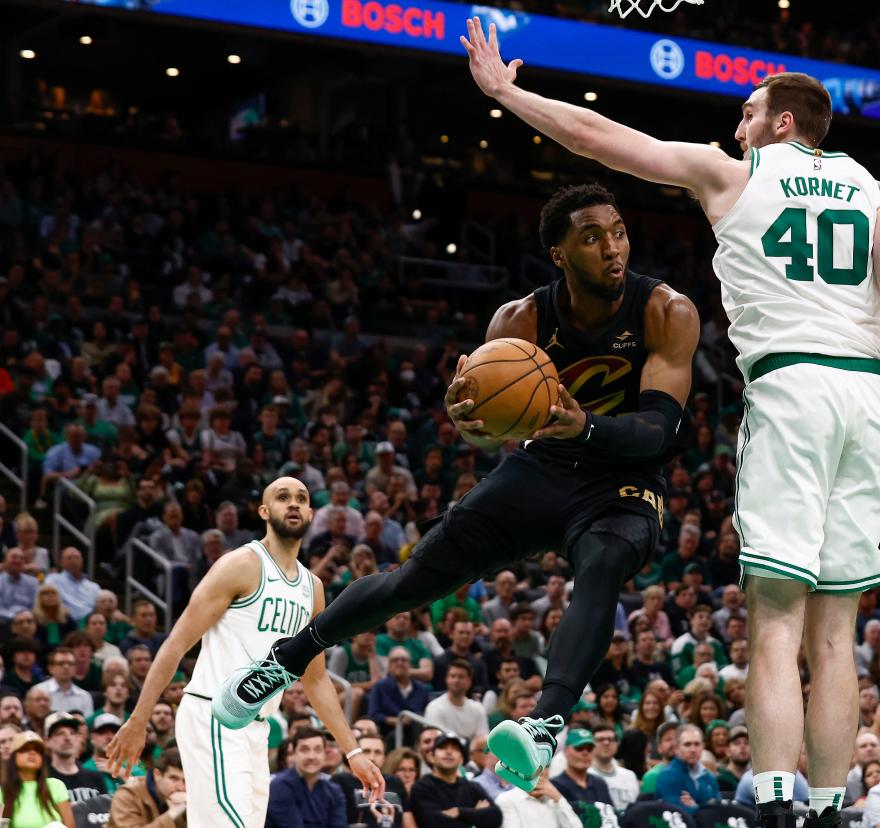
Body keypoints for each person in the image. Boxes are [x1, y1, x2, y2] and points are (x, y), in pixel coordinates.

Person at [459, 20, 880, 828]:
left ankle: (779, 806)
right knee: (836, 633)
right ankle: (831, 809)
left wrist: (508, 94)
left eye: (749, 113)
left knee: (774, 619)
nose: (737, 125)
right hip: (872, 397)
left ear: (782, 123)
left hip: (792, 388)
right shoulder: (876, 192)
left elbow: (602, 139)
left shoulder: (734, 175)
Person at [215, 184, 699, 798]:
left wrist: (587, 425)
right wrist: (469, 420)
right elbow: (489, 426)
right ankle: (281, 663)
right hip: (544, 465)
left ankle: (546, 721)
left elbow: (656, 432)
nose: (613, 247)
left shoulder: (665, 310)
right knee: (413, 580)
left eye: (619, 231)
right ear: (558, 253)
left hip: (625, 476)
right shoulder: (519, 320)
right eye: (592, 236)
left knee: (602, 563)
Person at [104, 477, 384, 827]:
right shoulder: (240, 565)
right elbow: (176, 643)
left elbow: (315, 678)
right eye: (283, 497)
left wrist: (353, 751)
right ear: (264, 511)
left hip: (257, 727)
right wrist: (138, 720)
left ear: (312, 513)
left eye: (301, 498)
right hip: (214, 713)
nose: (293, 504)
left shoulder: (312, 588)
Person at [409, 732, 502, 828]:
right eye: (443, 747)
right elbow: (434, 823)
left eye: (455, 749)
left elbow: (496, 817)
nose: (449, 752)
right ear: (432, 756)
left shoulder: (472, 787)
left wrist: (459, 812)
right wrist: (475, 815)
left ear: (461, 759)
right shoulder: (421, 787)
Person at [266, 728, 348, 828]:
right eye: (304, 750)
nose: (311, 756)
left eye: (318, 750)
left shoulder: (334, 791)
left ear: (324, 755)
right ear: (294, 753)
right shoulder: (279, 786)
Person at [0, 729, 75, 827]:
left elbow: (70, 826)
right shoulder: (3, 791)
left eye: (38, 750)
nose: (32, 753)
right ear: (14, 756)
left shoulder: (55, 785)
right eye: (25, 749)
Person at [551, 728, 617, 824]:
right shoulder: (554, 786)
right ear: (566, 751)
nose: (585, 753)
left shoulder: (600, 783)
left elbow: (610, 815)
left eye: (589, 749)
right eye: (579, 748)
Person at [109, 747, 187, 827]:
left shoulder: (186, 799)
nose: (180, 788)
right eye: (174, 779)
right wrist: (172, 813)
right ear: (157, 774)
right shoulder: (127, 795)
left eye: (185, 781)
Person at [656, 723, 720, 814]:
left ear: (703, 747)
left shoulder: (709, 777)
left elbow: (719, 812)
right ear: (677, 748)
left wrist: (695, 807)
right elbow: (680, 815)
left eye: (697, 744)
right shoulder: (667, 776)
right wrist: (703, 809)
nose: (693, 750)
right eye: (687, 744)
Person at [44, 711, 108, 803]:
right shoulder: (43, 780)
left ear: (79, 738)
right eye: (60, 733)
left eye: (72, 733)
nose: (68, 738)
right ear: (47, 741)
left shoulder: (95, 778)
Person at [425, 659, 489, 741]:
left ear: (469, 682)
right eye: (452, 676)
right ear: (446, 679)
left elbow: (482, 740)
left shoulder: (479, 709)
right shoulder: (434, 707)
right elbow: (435, 740)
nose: (456, 680)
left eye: (461, 677)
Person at [497, 767, 583, 828]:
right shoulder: (506, 799)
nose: (542, 772)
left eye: (546, 766)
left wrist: (558, 798)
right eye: (536, 766)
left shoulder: (554, 799)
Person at [587, 722, 638, 813]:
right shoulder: (586, 775)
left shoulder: (630, 775)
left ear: (617, 744)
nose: (606, 743)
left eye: (610, 739)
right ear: (591, 744)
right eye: (600, 739)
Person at [34, 646, 94, 715]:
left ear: (75, 668)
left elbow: (87, 723)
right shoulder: (37, 692)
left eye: (70, 663)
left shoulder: (84, 696)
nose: (66, 667)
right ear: (50, 668)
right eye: (61, 663)